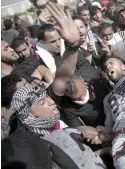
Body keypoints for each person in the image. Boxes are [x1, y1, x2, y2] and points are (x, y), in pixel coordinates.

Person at [3, 3, 106, 168]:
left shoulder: (64, 128)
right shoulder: (30, 148)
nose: (58, 44)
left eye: (60, 39)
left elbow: (73, 75)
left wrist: (72, 47)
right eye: (42, 101)